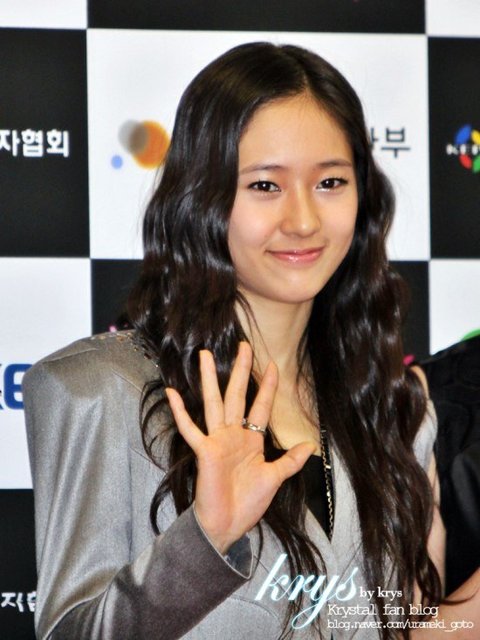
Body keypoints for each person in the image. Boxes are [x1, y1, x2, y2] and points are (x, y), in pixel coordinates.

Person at [23, 42, 479, 640]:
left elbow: (408, 627)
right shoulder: (99, 391)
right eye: (265, 185)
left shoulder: (394, 413)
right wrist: (205, 538)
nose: (304, 220)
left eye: (331, 182)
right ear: (201, 196)